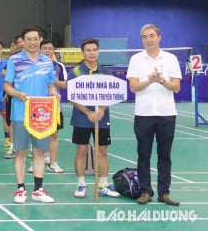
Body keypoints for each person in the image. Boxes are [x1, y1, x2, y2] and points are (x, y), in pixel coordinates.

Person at [126, 24, 181, 206]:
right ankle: (145, 191)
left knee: (165, 155)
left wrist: (162, 80)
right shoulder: (136, 59)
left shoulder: (171, 59)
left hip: (166, 114)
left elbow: (176, 87)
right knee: (143, 155)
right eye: (144, 37)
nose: (148, 40)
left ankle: (164, 192)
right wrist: (149, 80)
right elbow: (134, 87)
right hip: (144, 114)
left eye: (151, 36)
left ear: (159, 37)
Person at [4, 26, 57, 204]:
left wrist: (53, 93)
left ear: (40, 40)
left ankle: (38, 189)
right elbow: (7, 86)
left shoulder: (47, 61)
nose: (33, 42)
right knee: (20, 152)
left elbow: (51, 85)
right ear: (23, 42)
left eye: (36, 39)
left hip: (42, 114)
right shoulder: (14, 60)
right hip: (20, 112)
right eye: (29, 39)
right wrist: (17, 94)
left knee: (39, 152)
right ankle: (20, 189)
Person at [69, 38, 120, 199]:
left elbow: (111, 93)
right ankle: (81, 185)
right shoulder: (75, 72)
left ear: (98, 52)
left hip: (101, 117)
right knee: (81, 150)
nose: (92, 53)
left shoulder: (106, 72)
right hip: (82, 117)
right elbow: (72, 97)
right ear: (83, 53)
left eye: (94, 50)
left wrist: (102, 109)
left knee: (103, 151)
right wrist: (88, 112)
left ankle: (103, 185)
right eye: (88, 50)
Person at [40, 39, 66, 173]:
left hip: (55, 106)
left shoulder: (59, 66)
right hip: (38, 105)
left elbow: (64, 84)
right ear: (40, 50)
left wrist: (52, 79)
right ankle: (36, 162)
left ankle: (53, 162)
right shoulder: (35, 65)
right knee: (38, 134)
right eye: (45, 48)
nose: (48, 51)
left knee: (54, 135)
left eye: (50, 48)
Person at [3, 35, 24, 160]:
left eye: (23, 41)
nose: (22, 44)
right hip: (14, 95)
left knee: (32, 122)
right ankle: (12, 146)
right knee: (12, 122)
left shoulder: (39, 59)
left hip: (31, 97)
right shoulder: (13, 59)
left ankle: (32, 148)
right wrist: (8, 91)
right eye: (19, 42)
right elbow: (4, 74)